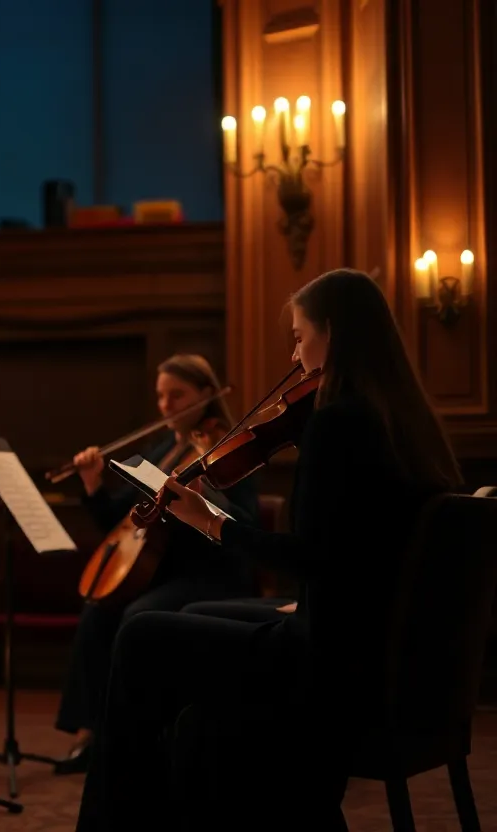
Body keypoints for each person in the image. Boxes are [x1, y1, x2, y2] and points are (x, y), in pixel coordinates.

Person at [75, 269, 464, 830]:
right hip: (370, 647)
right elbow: (354, 553)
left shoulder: (339, 423)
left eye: (300, 337)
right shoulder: (402, 421)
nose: (294, 355)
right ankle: (195, 764)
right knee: (194, 621)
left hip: (327, 662)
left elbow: (306, 555)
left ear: (332, 333)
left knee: (141, 633)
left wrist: (208, 520)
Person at [53, 354, 260, 774]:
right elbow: (121, 520)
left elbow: (247, 523)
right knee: (97, 611)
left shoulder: (229, 449)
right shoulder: (162, 449)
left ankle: (134, 738)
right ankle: (92, 731)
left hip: (209, 574)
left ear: (207, 394)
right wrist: (92, 484)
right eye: (161, 396)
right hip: (160, 572)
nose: (166, 405)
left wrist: (207, 497)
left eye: (177, 395)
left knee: (137, 615)